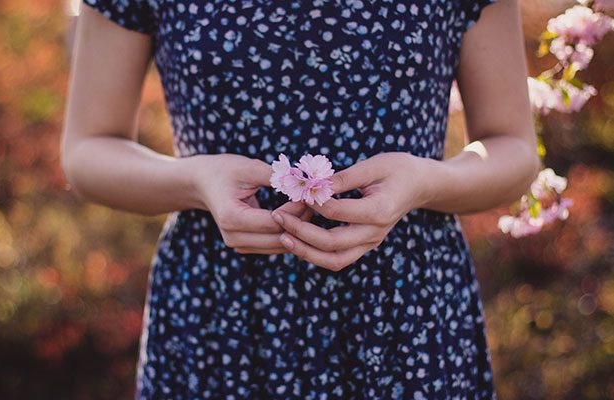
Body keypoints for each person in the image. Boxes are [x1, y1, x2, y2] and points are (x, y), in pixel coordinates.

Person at [61, 0, 539, 398]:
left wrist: (425, 180)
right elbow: (87, 150)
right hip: (220, 310)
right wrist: (194, 180)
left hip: (403, 309)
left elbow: (512, 148)